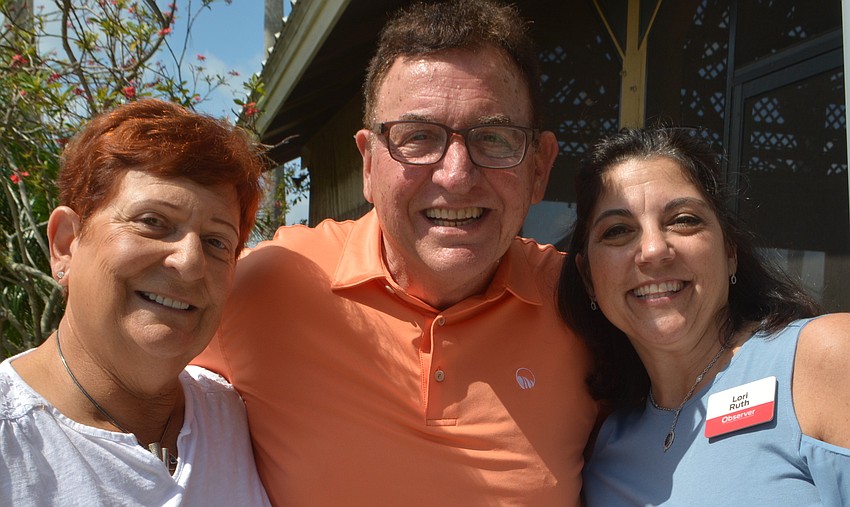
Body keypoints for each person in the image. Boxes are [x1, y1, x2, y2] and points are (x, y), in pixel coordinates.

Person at [193, 0, 599, 505]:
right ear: (368, 163)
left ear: (539, 168)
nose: (455, 175)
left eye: (493, 138)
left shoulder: (588, 308)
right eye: (418, 137)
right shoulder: (266, 286)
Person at [557, 125, 850, 506]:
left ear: (730, 250)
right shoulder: (605, 449)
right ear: (589, 279)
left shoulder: (823, 359)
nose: (653, 250)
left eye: (683, 220)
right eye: (617, 230)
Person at [0, 99, 271, 506]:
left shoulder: (232, 414)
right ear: (66, 244)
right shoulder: (12, 443)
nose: (190, 262)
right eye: (153, 222)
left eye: (217, 242)